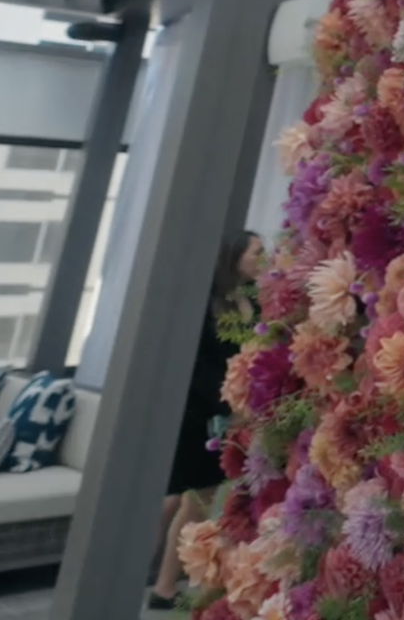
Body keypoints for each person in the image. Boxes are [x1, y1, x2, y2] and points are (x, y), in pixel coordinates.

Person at [150, 230, 261, 609]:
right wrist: (225, 406)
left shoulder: (254, 300)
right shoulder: (210, 305)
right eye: (257, 252)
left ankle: (163, 581)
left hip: (236, 413)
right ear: (236, 257)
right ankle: (164, 586)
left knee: (193, 500)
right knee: (194, 501)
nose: (263, 259)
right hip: (203, 415)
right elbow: (198, 366)